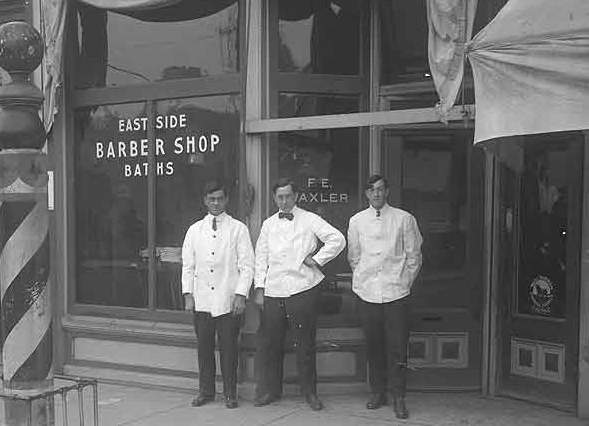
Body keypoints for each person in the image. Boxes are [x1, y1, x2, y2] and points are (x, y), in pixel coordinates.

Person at [253, 178, 345, 411]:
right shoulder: (268, 225)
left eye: (288, 196)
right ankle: (272, 392)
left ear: (296, 197)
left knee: (305, 344)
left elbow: (337, 239)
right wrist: (259, 290)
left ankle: (310, 393)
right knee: (272, 344)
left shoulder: (309, 219)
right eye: (280, 196)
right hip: (274, 291)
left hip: (303, 289)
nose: (284, 201)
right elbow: (260, 258)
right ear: (274, 198)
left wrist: (316, 260)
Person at [347, 174, 423, 419]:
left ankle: (399, 396)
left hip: (396, 294)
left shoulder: (404, 219)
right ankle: (377, 392)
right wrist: (364, 281)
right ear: (366, 194)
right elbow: (354, 257)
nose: (376, 194)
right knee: (374, 345)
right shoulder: (357, 221)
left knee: (398, 347)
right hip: (368, 293)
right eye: (372, 190)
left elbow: (414, 257)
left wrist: (403, 282)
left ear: (386, 191)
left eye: (380, 189)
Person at [181, 181, 254, 409]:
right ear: (205, 200)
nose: (215, 203)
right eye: (211, 199)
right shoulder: (194, 230)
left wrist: (241, 295)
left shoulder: (238, 229)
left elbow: (247, 266)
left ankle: (230, 394)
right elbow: (188, 265)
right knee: (204, 349)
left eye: (220, 199)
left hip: (227, 300)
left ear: (226, 200)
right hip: (202, 300)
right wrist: (188, 295)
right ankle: (206, 391)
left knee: (229, 349)